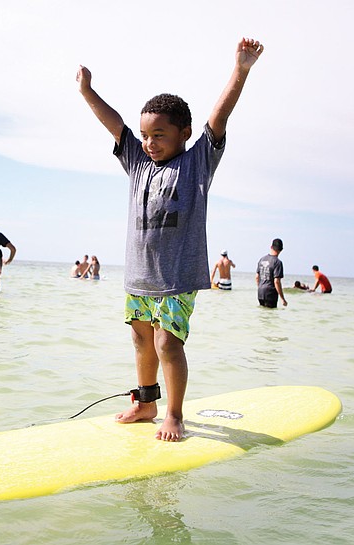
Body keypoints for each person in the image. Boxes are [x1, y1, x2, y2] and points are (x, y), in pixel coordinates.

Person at [77, 37, 264, 441]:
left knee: (167, 343)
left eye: (159, 135)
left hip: (177, 278)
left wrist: (240, 70)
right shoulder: (138, 163)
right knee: (141, 339)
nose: (150, 142)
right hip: (139, 278)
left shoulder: (197, 162)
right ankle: (146, 403)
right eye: (146, 135)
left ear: (184, 134)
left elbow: (220, 116)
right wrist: (87, 91)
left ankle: (174, 415)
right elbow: (116, 126)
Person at [256, 238, 288, 308]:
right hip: (270, 293)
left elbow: (257, 277)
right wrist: (283, 299)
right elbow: (276, 281)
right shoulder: (277, 262)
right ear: (281, 250)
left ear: (271, 247)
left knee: (263, 314)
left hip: (260, 292)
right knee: (270, 315)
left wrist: (260, 287)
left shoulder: (262, 259)